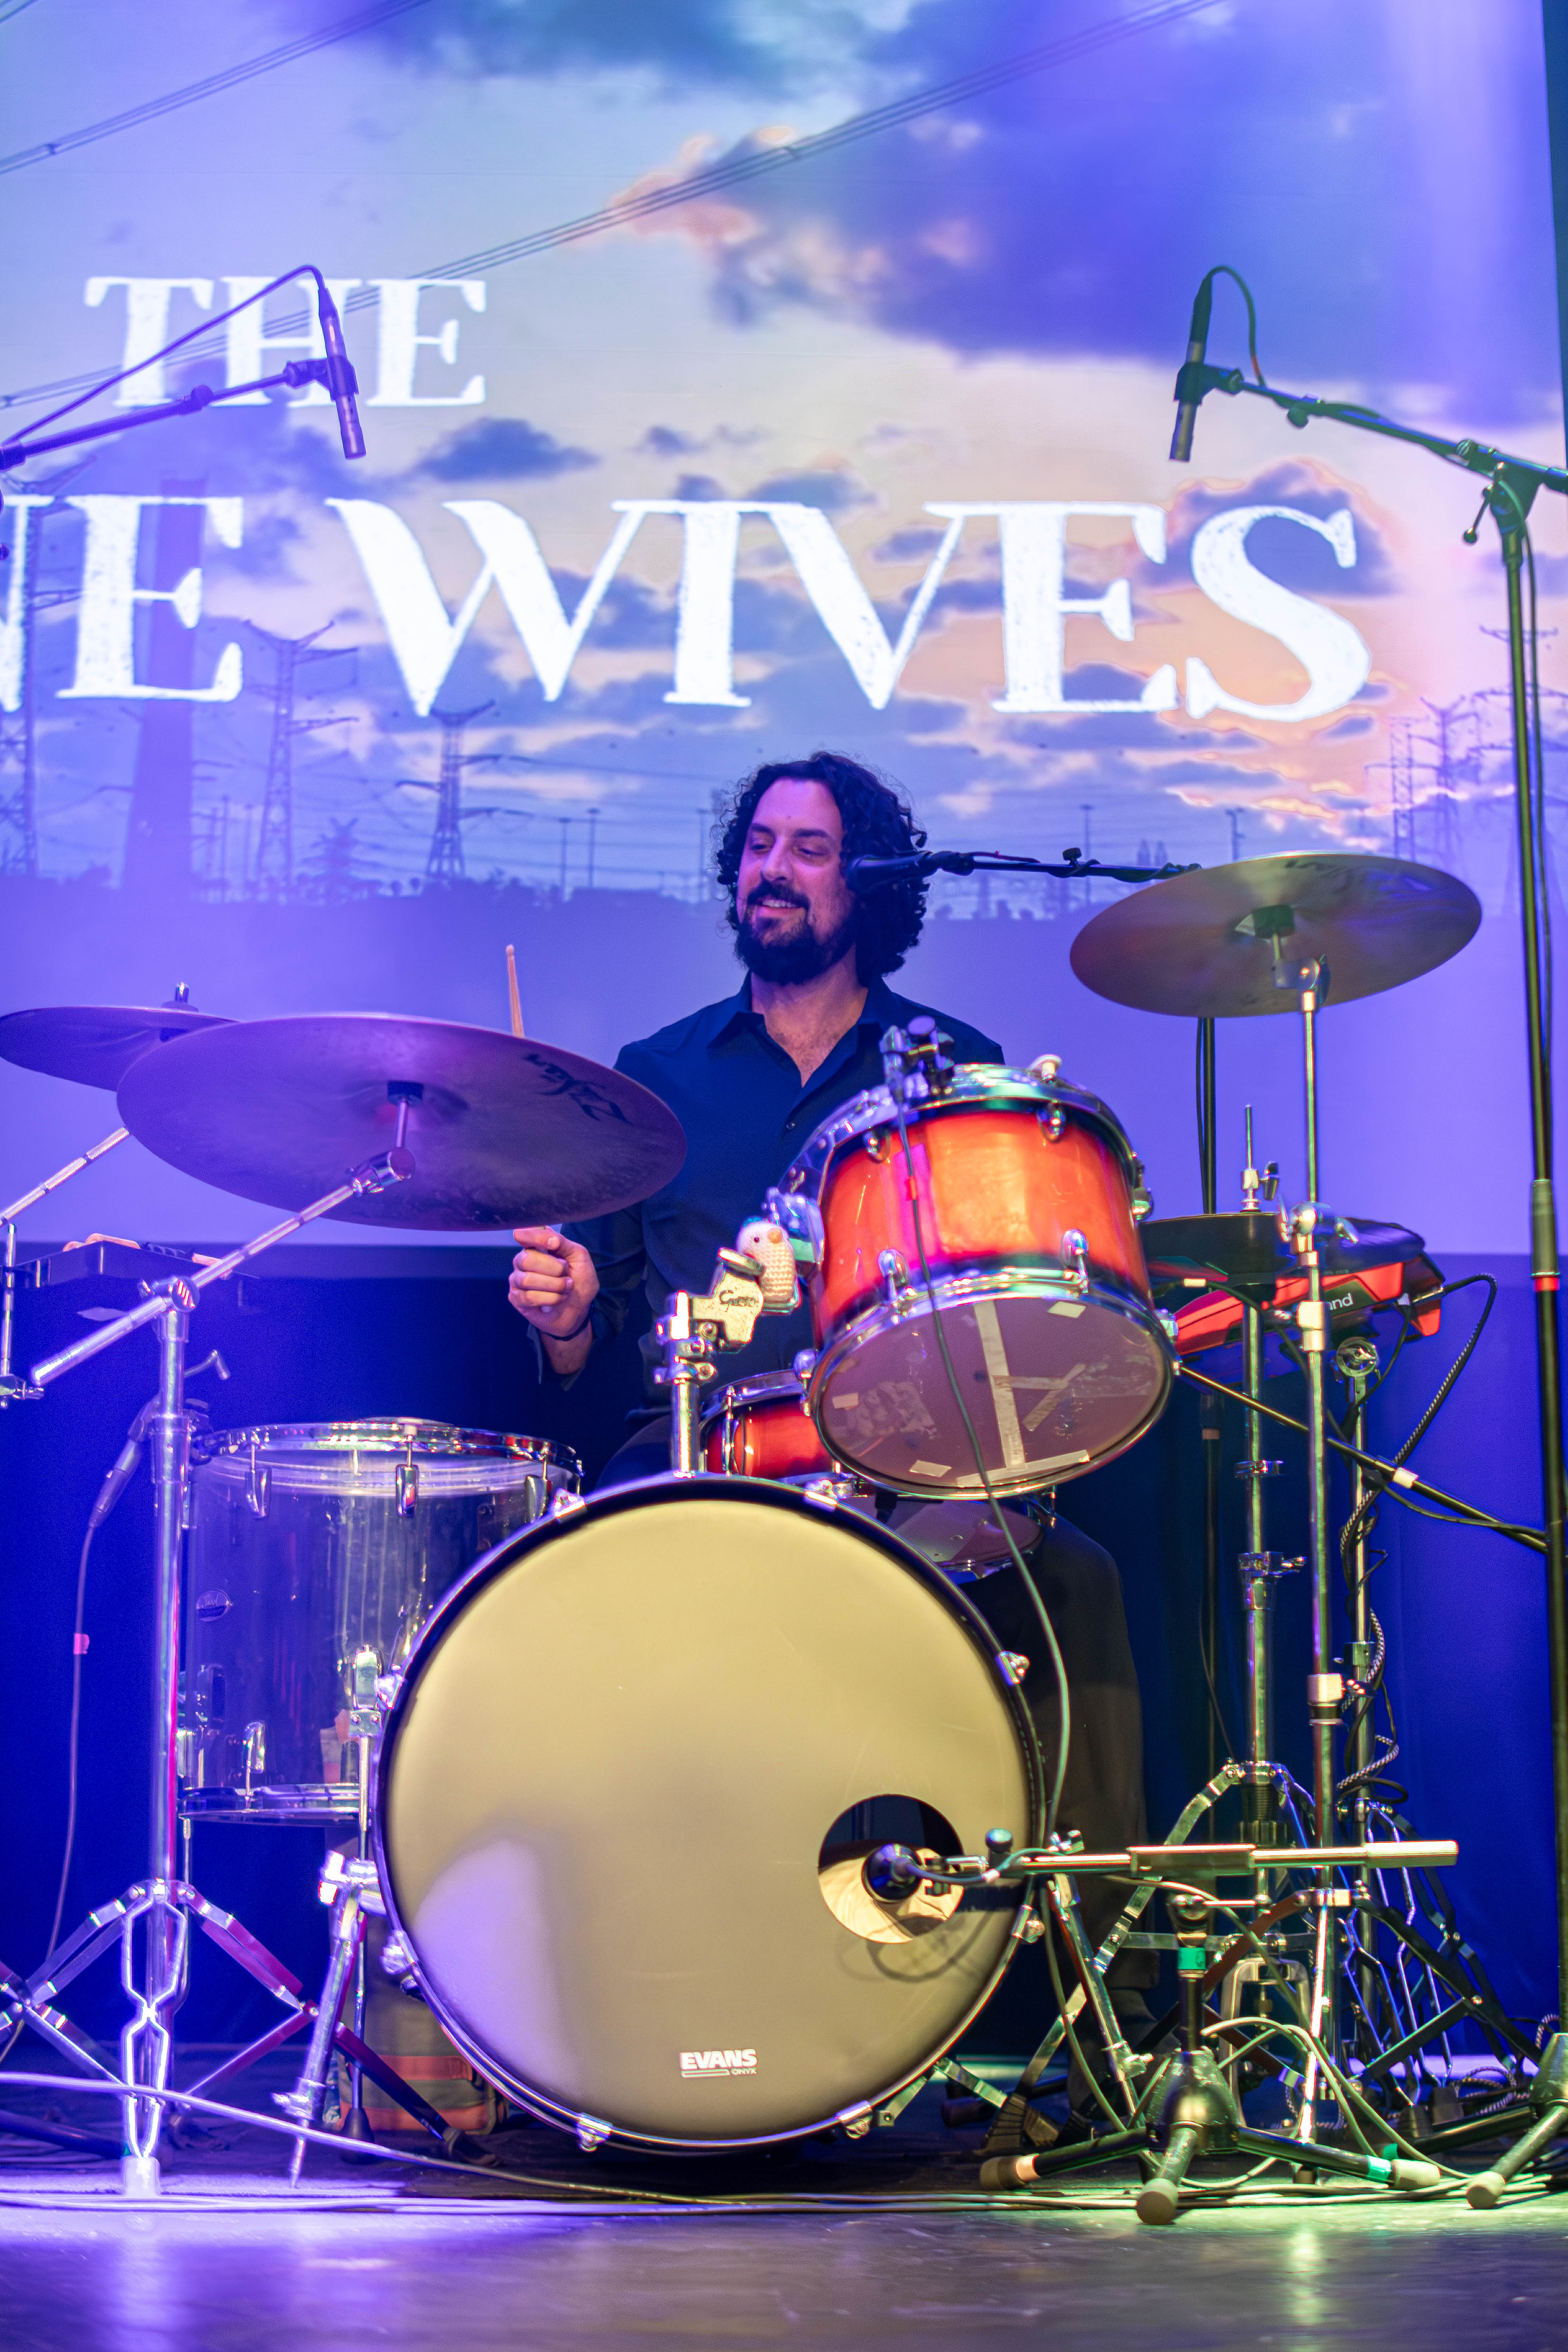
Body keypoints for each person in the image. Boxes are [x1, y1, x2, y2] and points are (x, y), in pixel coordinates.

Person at [506, 750, 1155, 2082]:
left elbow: (996, 1309)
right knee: (583, 1564)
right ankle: (608, 2004)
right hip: (707, 1449)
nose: (773, 871)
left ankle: (1108, 2034)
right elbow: (595, 1348)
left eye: (807, 849)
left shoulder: (950, 1070)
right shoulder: (654, 1078)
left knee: (1069, 1582)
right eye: (756, 846)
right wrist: (564, 1313)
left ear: (864, 882)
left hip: (907, 1453)